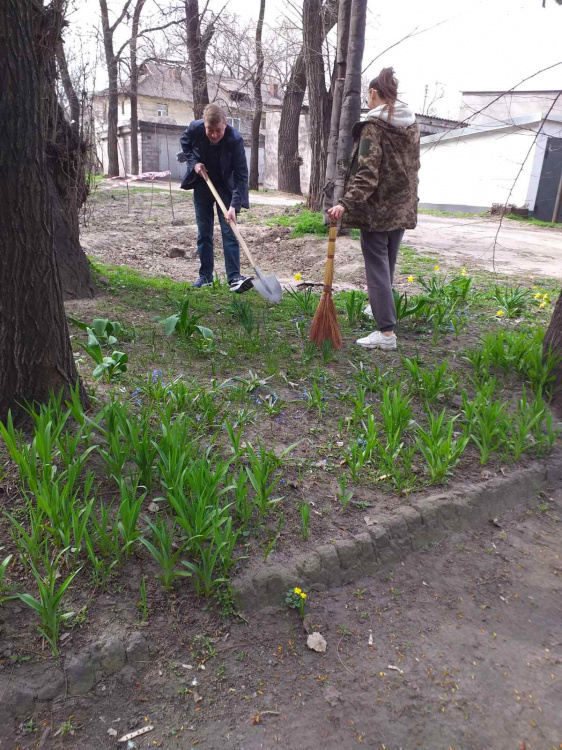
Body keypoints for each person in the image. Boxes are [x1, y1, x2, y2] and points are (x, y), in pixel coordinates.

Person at [328, 67, 420, 350]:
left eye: (369, 97)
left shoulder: (373, 128)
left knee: (377, 268)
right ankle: (380, 307)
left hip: (378, 210)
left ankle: (386, 333)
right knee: (387, 263)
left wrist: (345, 202)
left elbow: (367, 173)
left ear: (372, 93)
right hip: (402, 207)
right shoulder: (410, 125)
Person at [179, 103, 253, 293]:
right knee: (204, 231)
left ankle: (235, 278)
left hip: (225, 186)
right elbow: (185, 143)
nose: (213, 135)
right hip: (204, 182)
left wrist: (233, 206)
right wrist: (194, 163)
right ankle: (205, 277)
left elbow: (241, 175)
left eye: (218, 130)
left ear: (225, 124)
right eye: (209, 130)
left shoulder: (234, 139)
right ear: (203, 124)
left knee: (230, 231)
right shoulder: (194, 129)